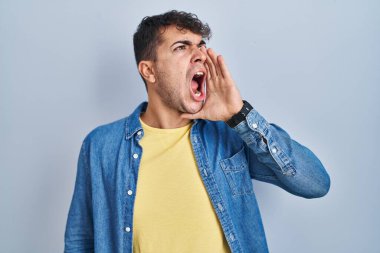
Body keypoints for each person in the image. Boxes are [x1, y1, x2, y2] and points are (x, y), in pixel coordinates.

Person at [64, 10, 330, 253]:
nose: (201, 54)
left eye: (202, 46)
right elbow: (80, 240)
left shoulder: (229, 135)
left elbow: (316, 183)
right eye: (181, 47)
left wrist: (239, 115)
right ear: (149, 71)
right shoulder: (102, 146)